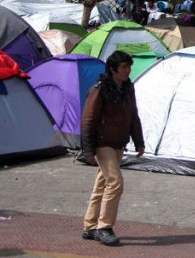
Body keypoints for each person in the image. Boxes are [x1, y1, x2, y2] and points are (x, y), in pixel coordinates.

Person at [80, 51, 144, 247]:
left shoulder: (127, 88)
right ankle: (104, 227)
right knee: (115, 183)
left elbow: (133, 115)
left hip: (119, 142)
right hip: (102, 143)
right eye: (124, 67)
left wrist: (138, 141)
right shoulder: (99, 89)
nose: (128, 70)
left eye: (128, 66)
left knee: (103, 184)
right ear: (112, 69)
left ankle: (90, 226)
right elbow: (88, 120)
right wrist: (88, 150)